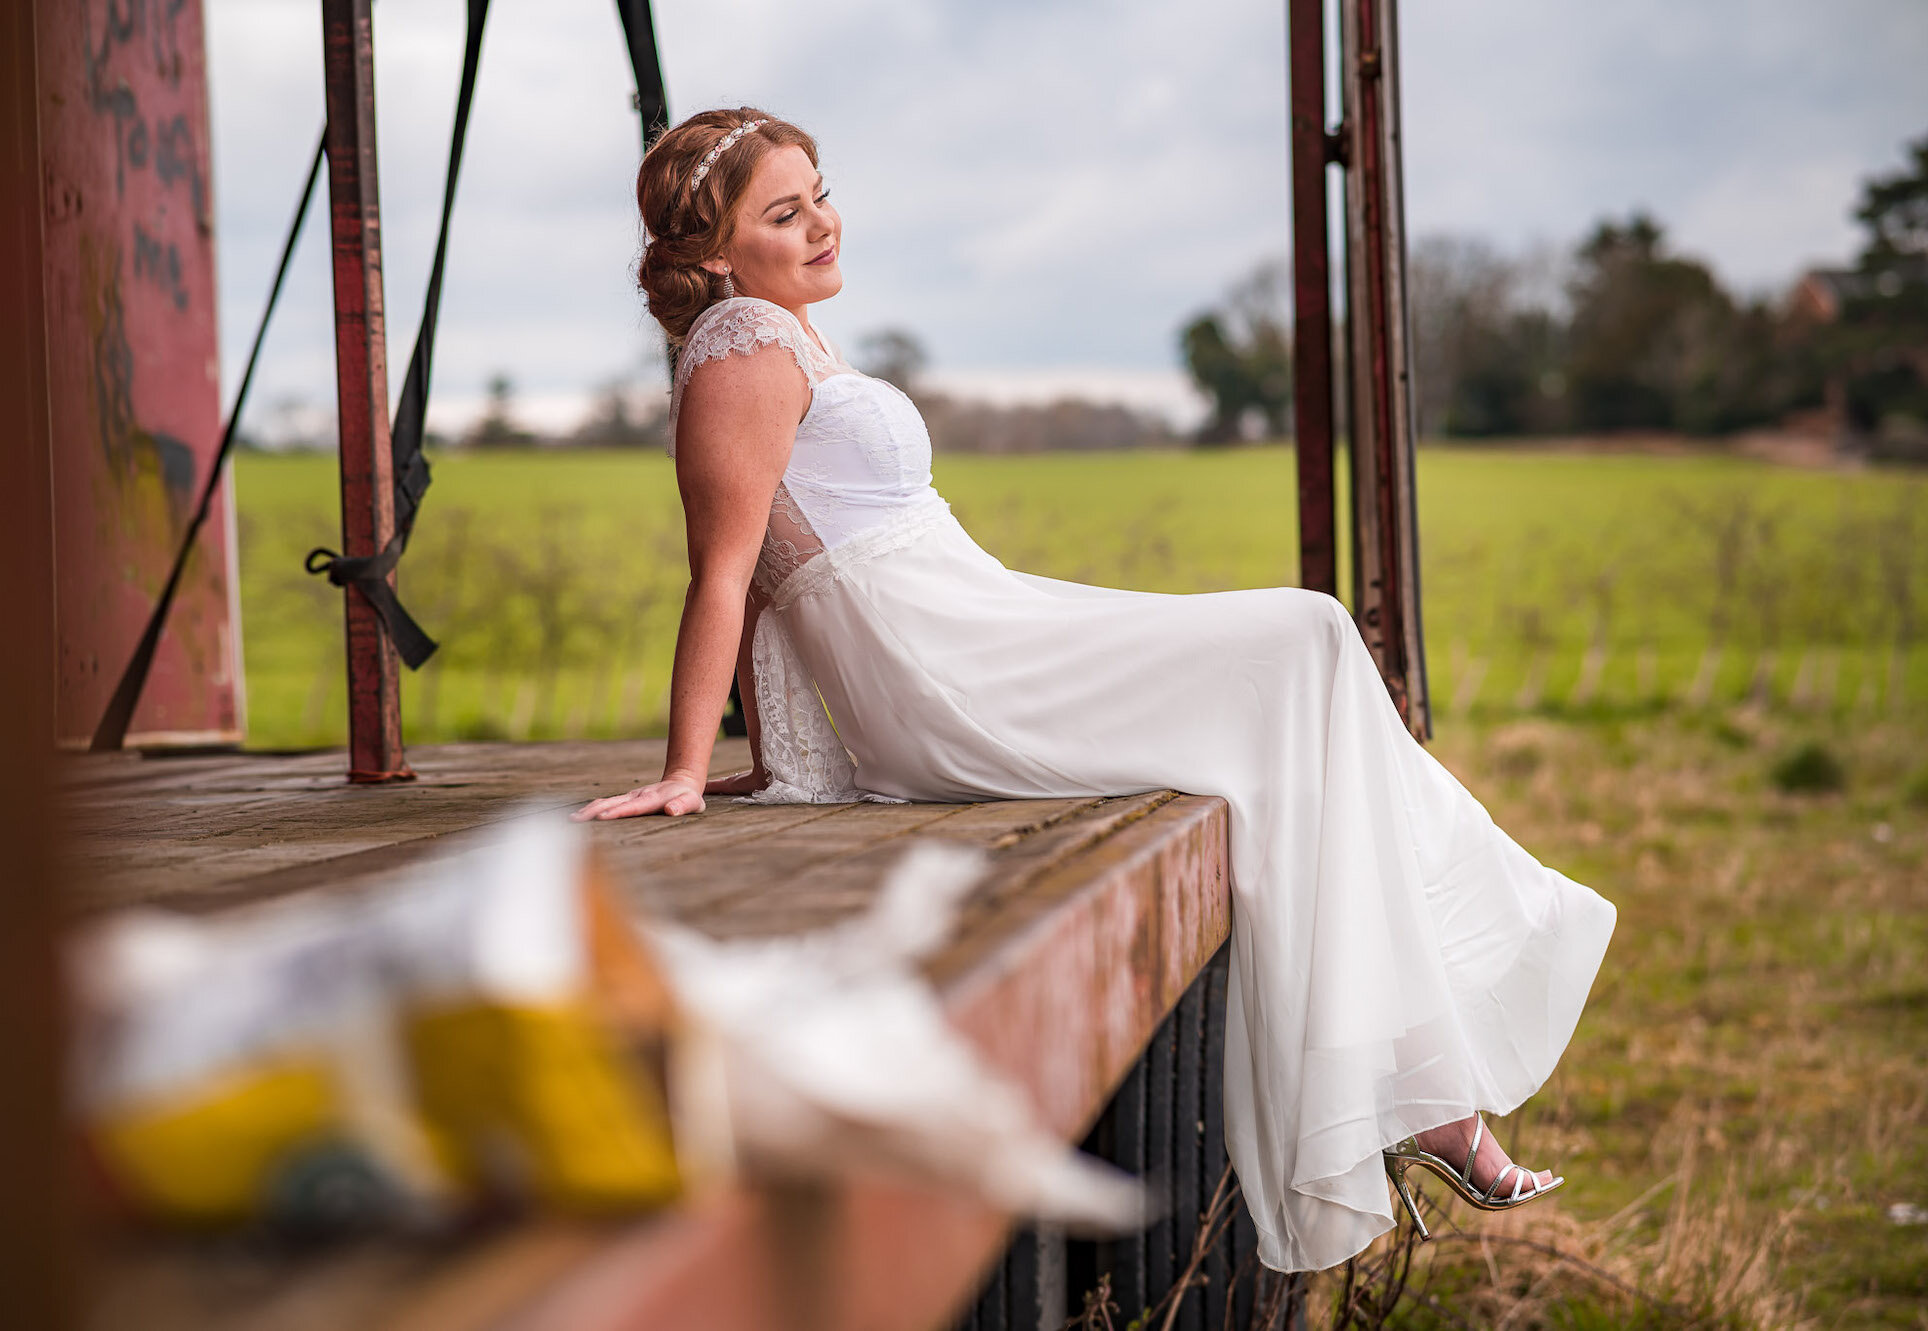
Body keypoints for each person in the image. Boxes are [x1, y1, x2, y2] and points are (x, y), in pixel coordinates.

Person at [571, 107, 1617, 1273]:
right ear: (713, 251)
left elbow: (772, 574)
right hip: (951, 666)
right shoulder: (742, 349)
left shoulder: (782, 333)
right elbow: (727, 574)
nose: (821, 223)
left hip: (982, 621)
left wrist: (778, 754)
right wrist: (682, 769)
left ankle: (1419, 1087)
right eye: (783, 211)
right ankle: (1432, 1064)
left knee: (1307, 662)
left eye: (819, 191)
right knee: (1307, 640)